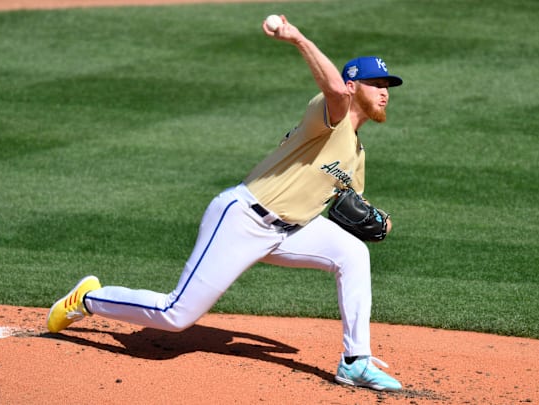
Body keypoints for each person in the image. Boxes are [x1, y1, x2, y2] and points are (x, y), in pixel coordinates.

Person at [47, 15, 404, 392]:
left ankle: (355, 361)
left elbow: (360, 210)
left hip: (291, 230)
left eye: (388, 86)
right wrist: (296, 37)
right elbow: (333, 87)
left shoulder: (356, 153)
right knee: (175, 315)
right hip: (243, 219)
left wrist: (382, 221)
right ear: (353, 86)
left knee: (352, 253)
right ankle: (88, 299)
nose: (385, 91)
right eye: (376, 83)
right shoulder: (329, 116)